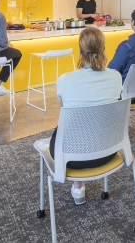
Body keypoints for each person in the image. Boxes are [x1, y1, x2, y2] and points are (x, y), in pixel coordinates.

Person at [43, 27, 122, 205]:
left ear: (80, 49)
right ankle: (78, 186)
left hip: (71, 158)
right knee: (93, 121)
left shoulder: (65, 80)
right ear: (103, 48)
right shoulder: (116, 77)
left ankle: (78, 188)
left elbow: (66, 112)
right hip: (108, 151)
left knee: (70, 126)